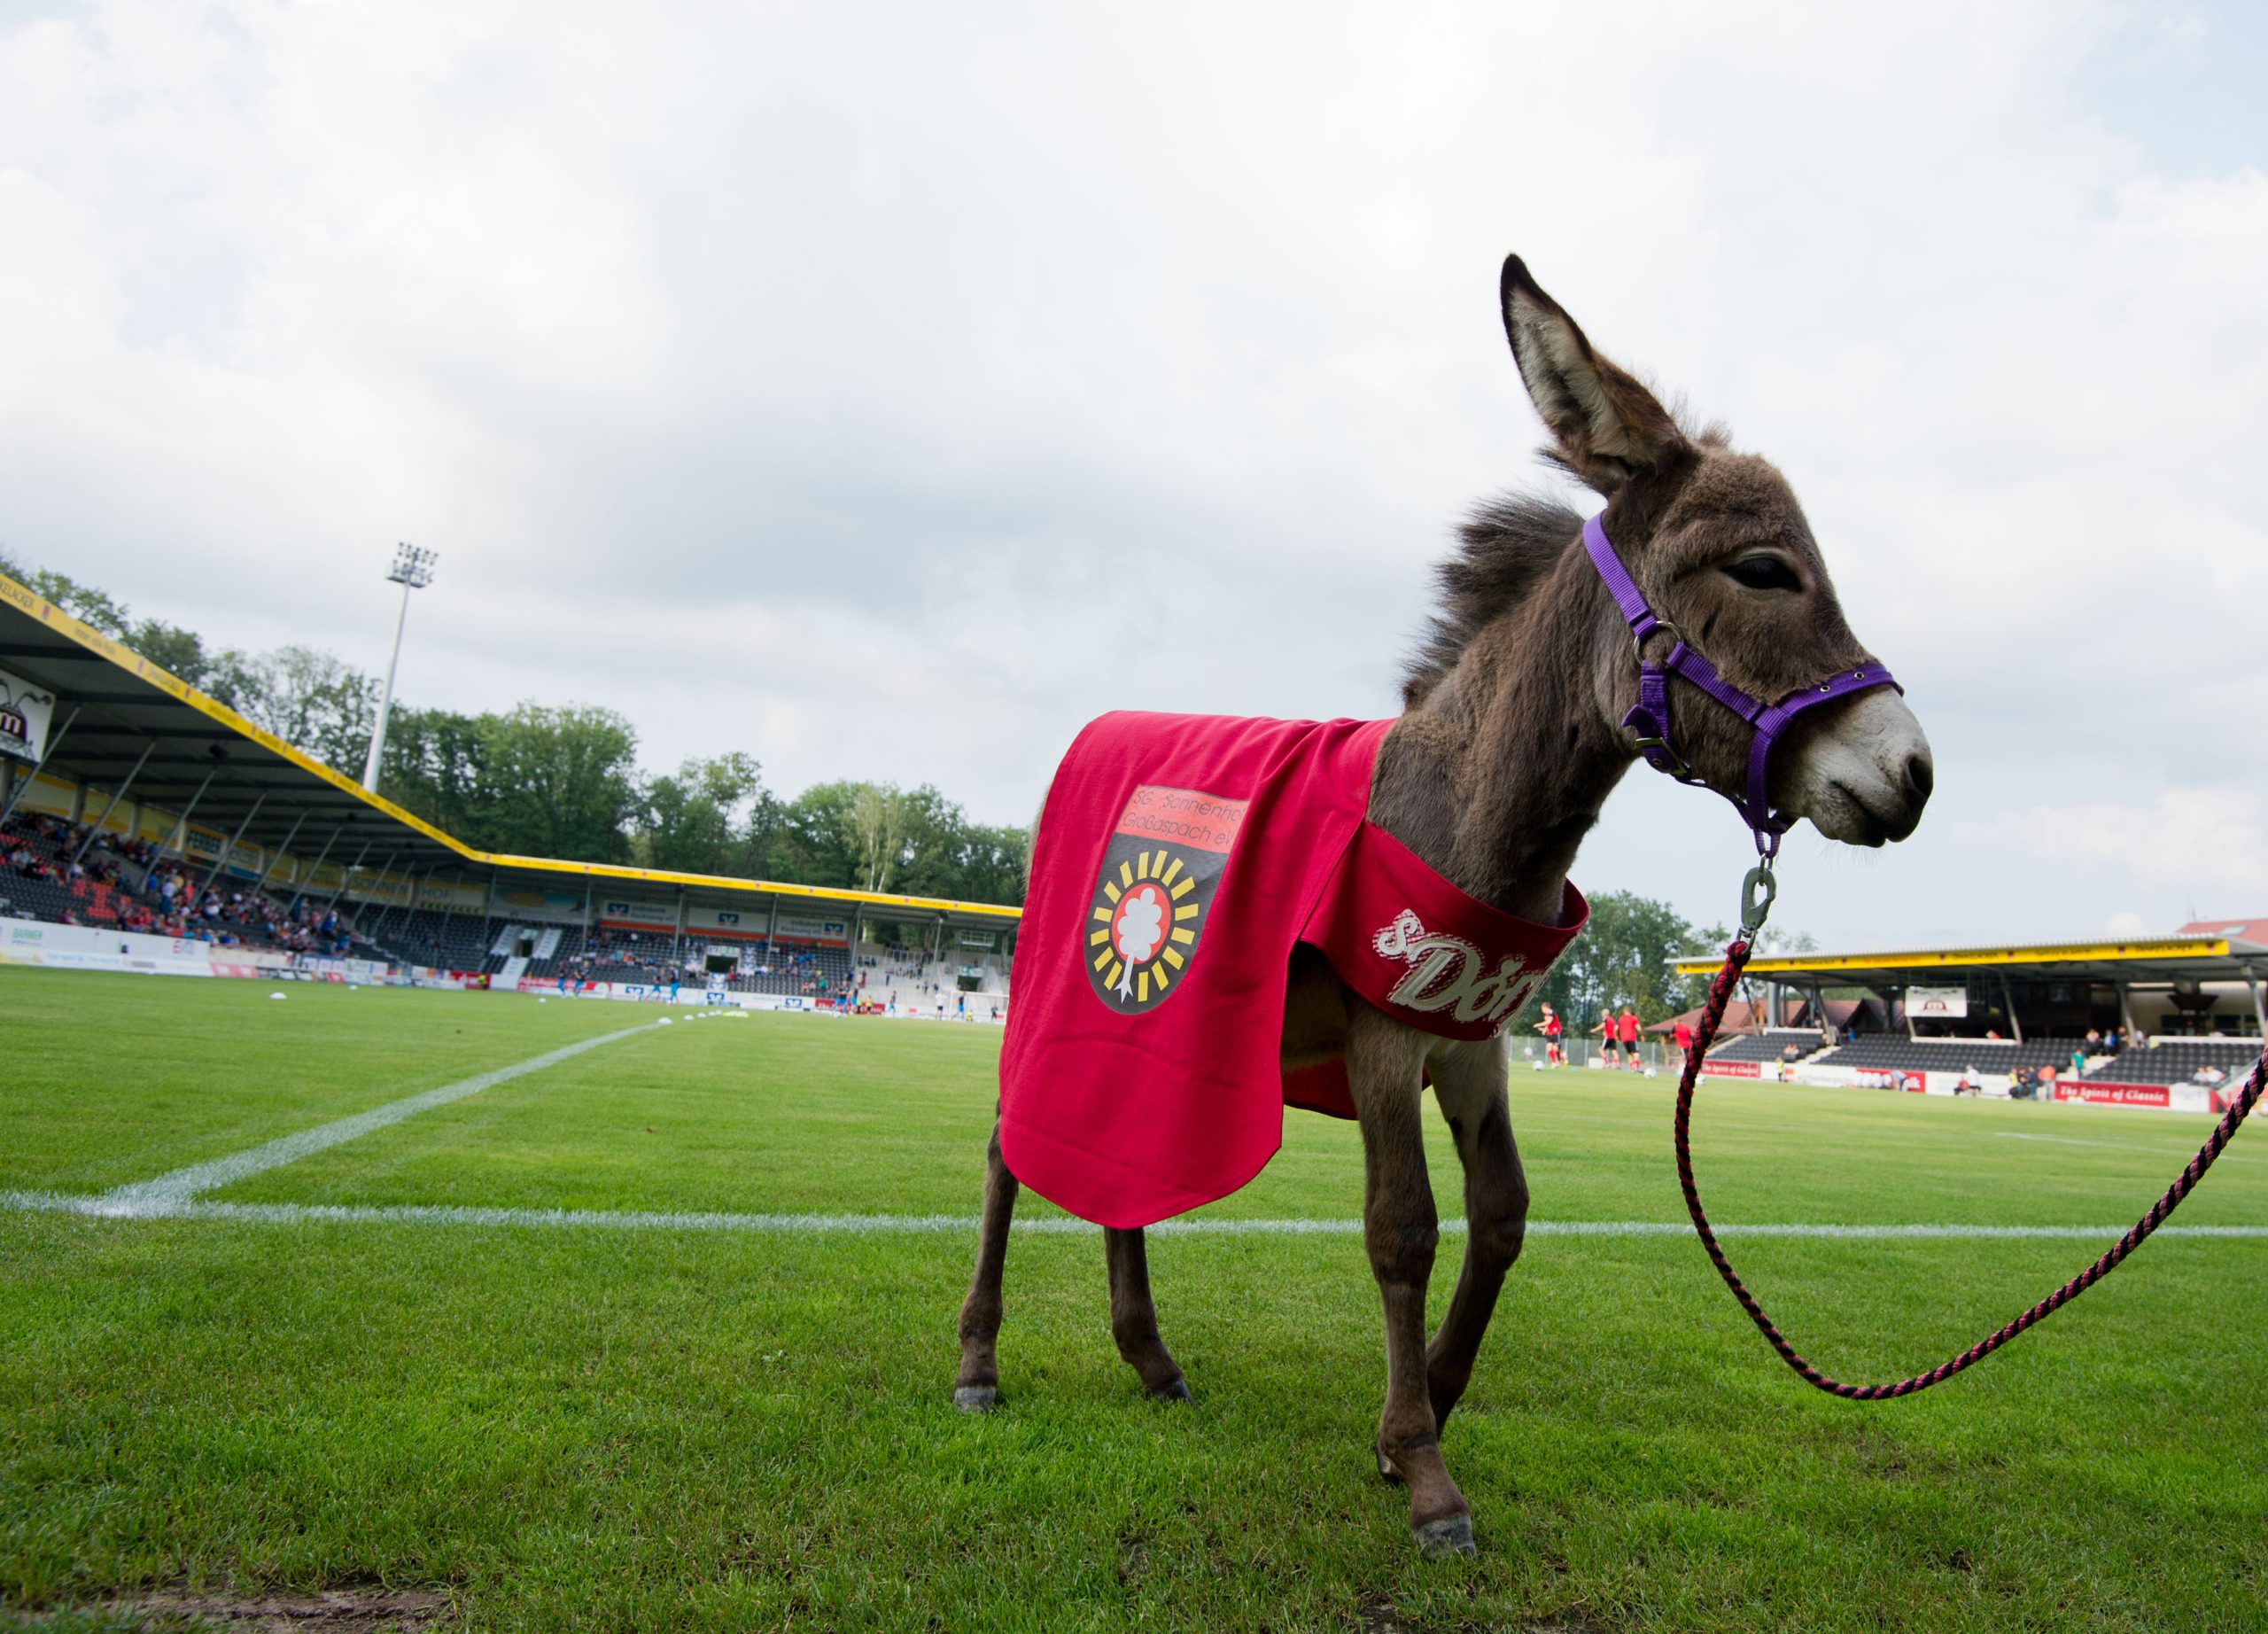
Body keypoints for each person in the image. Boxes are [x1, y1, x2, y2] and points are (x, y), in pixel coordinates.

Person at [1616, 1006, 1642, 1071]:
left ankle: (1632, 1068)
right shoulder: (1633, 1018)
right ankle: (1636, 1066)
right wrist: (1641, 1035)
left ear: (1624, 1011)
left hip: (1624, 1039)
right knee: (1636, 1053)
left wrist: (1617, 1037)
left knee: (1629, 1053)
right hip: (1632, 1038)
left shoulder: (1620, 1018)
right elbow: (1639, 1029)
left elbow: (1615, 1029)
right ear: (1630, 1011)